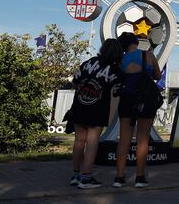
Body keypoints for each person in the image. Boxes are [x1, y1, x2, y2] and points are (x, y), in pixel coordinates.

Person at [69, 39, 123, 189]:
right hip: (97, 109)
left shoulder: (87, 63)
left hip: (79, 105)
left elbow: (75, 81)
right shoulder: (114, 70)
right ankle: (86, 178)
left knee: (79, 141)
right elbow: (118, 90)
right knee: (92, 142)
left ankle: (75, 175)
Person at [114, 33, 162, 189]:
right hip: (146, 99)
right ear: (135, 42)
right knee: (143, 138)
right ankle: (139, 178)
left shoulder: (121, 59)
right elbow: (158, 75)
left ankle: (119, 177)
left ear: (122, 45)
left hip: (127, 99)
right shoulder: (148, 55)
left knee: (124, 138)